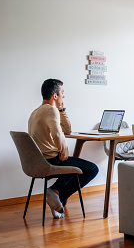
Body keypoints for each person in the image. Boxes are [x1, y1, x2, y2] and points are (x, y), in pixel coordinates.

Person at [28, 79, 98, 218]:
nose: (63, 96)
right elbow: (58, 134)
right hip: (50, 160)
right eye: (62, 93)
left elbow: (66, 130)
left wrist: (62, 110)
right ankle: (55, 195)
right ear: (55, 96)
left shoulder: (35, 112)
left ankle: (55, 194)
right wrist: (64, 152)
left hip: (38, 161)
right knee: (92, 169)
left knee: (75, 166)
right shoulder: (50, 110)